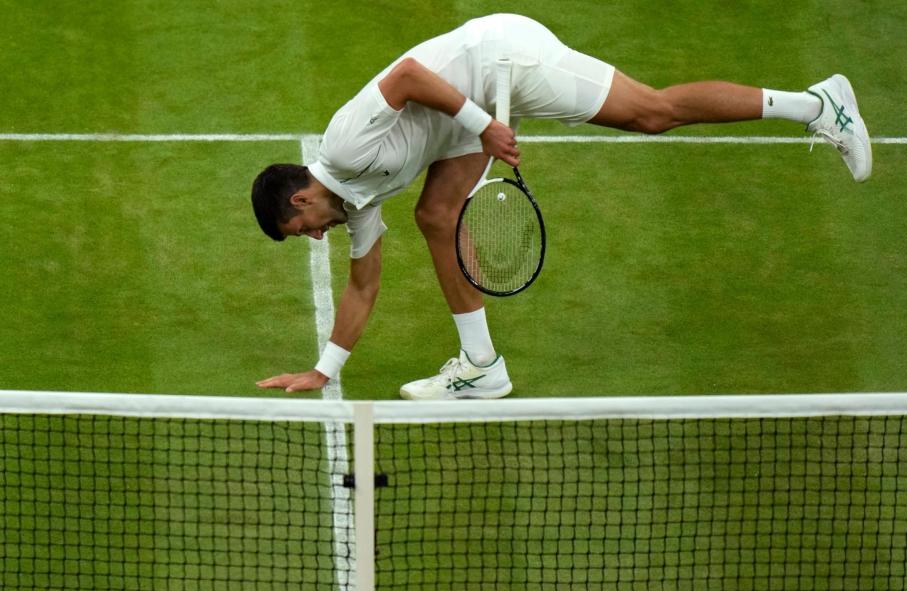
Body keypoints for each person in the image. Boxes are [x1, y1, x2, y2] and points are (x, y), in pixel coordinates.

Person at [252, 13, 871, 399]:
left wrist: (484, 125)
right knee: (436, 217)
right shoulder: (354, 204)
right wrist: (323, 369)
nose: (312, 237)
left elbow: (411, 75)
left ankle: (819, 105)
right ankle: (481, 366)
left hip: (501, 60)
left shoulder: (343, 143)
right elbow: (362, 286)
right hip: (464, 117)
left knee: (651, 114)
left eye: (299, 227)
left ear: (303, 197)